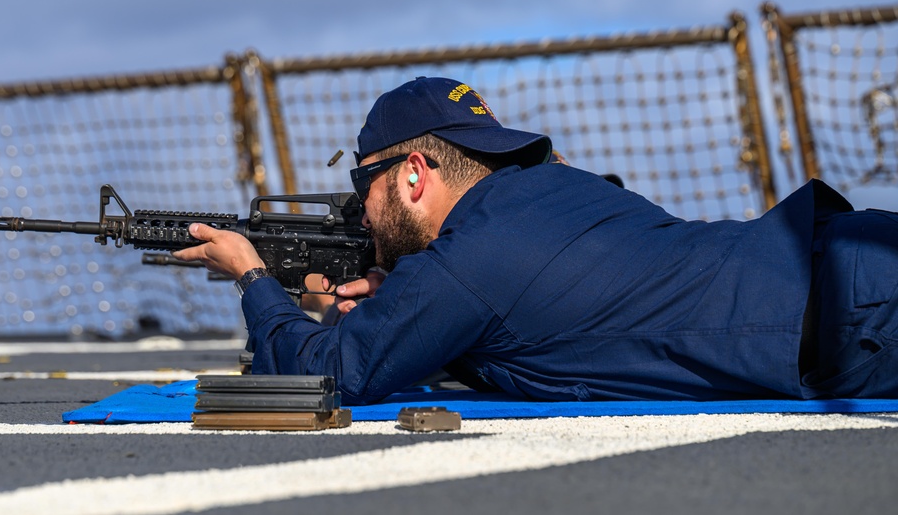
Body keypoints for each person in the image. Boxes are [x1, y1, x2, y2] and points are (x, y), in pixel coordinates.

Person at [173, 76, 898, 405]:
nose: (361, 210)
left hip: (850, 318)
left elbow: (329, 373)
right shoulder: (559, 188)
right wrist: (413, 301)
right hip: (846, 263)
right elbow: (554, 313)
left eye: (366, 184)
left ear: (414, 173)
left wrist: (252, 278)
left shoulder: (471, 260)